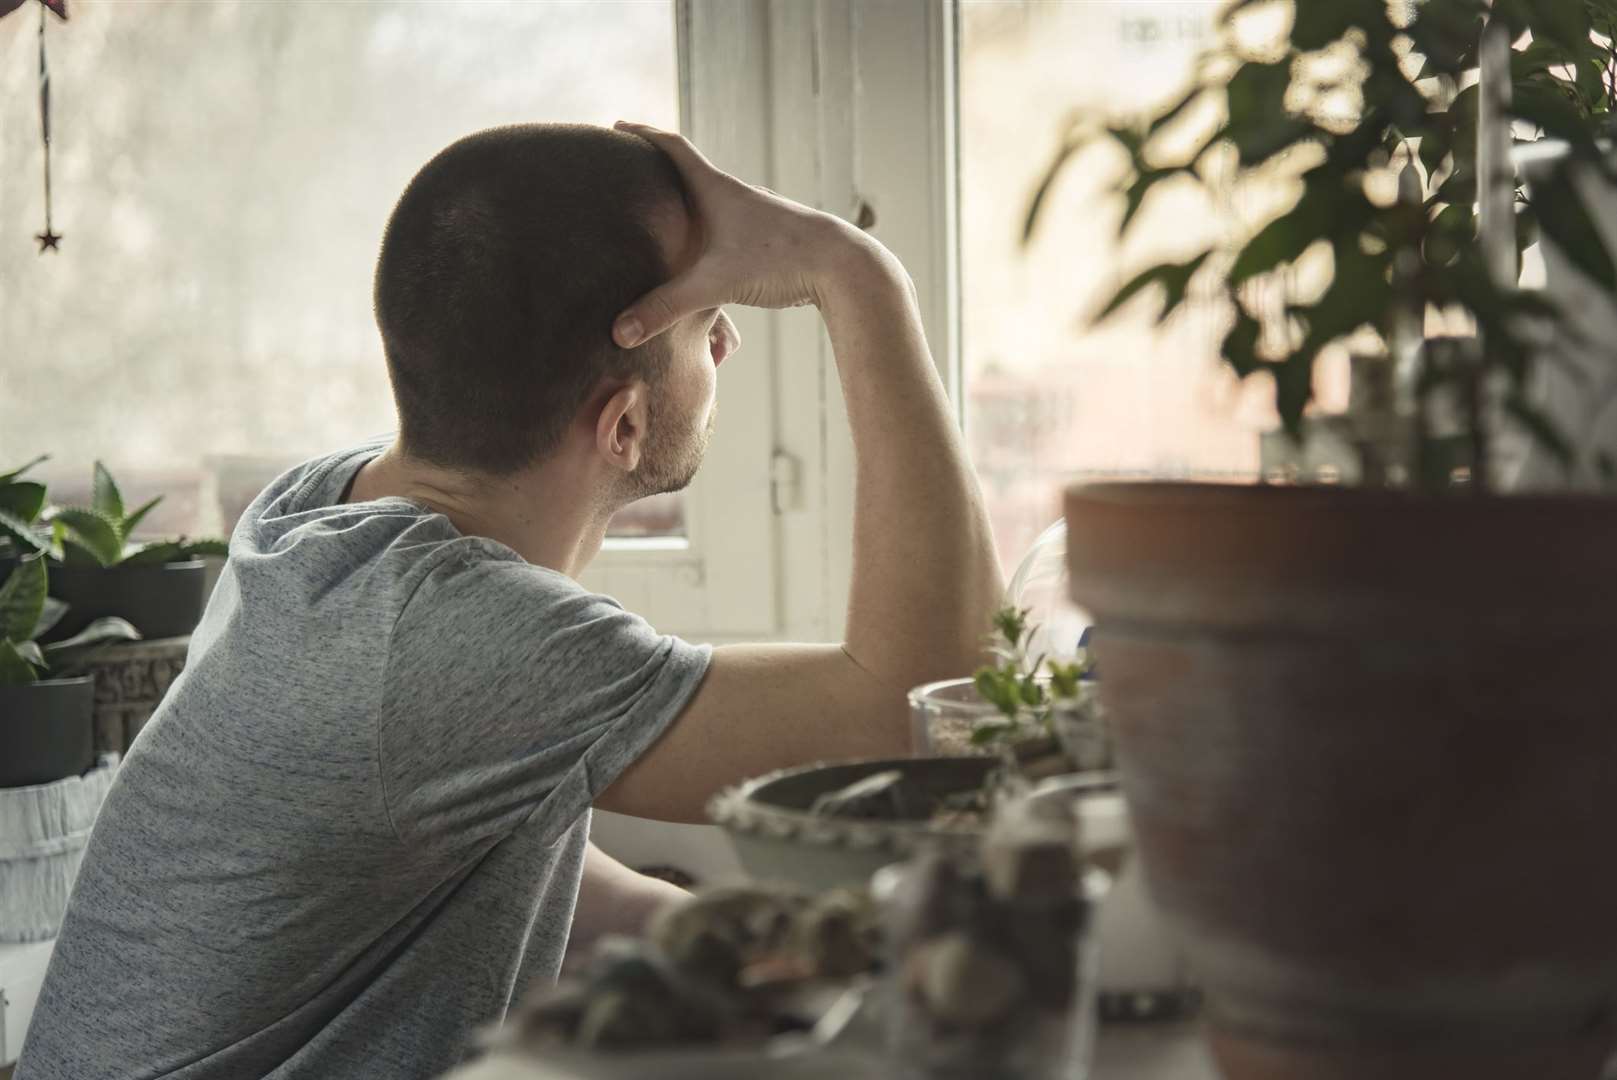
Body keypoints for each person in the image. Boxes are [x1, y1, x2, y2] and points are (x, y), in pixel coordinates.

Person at [16, 121, 1001, 1080]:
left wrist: (717, 937)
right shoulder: (457, 638)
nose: (731, 338)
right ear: (623, 423)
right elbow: (925, 702)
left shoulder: (323, 510)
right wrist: (860, 276)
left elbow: (449, 835)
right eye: (706, 322)